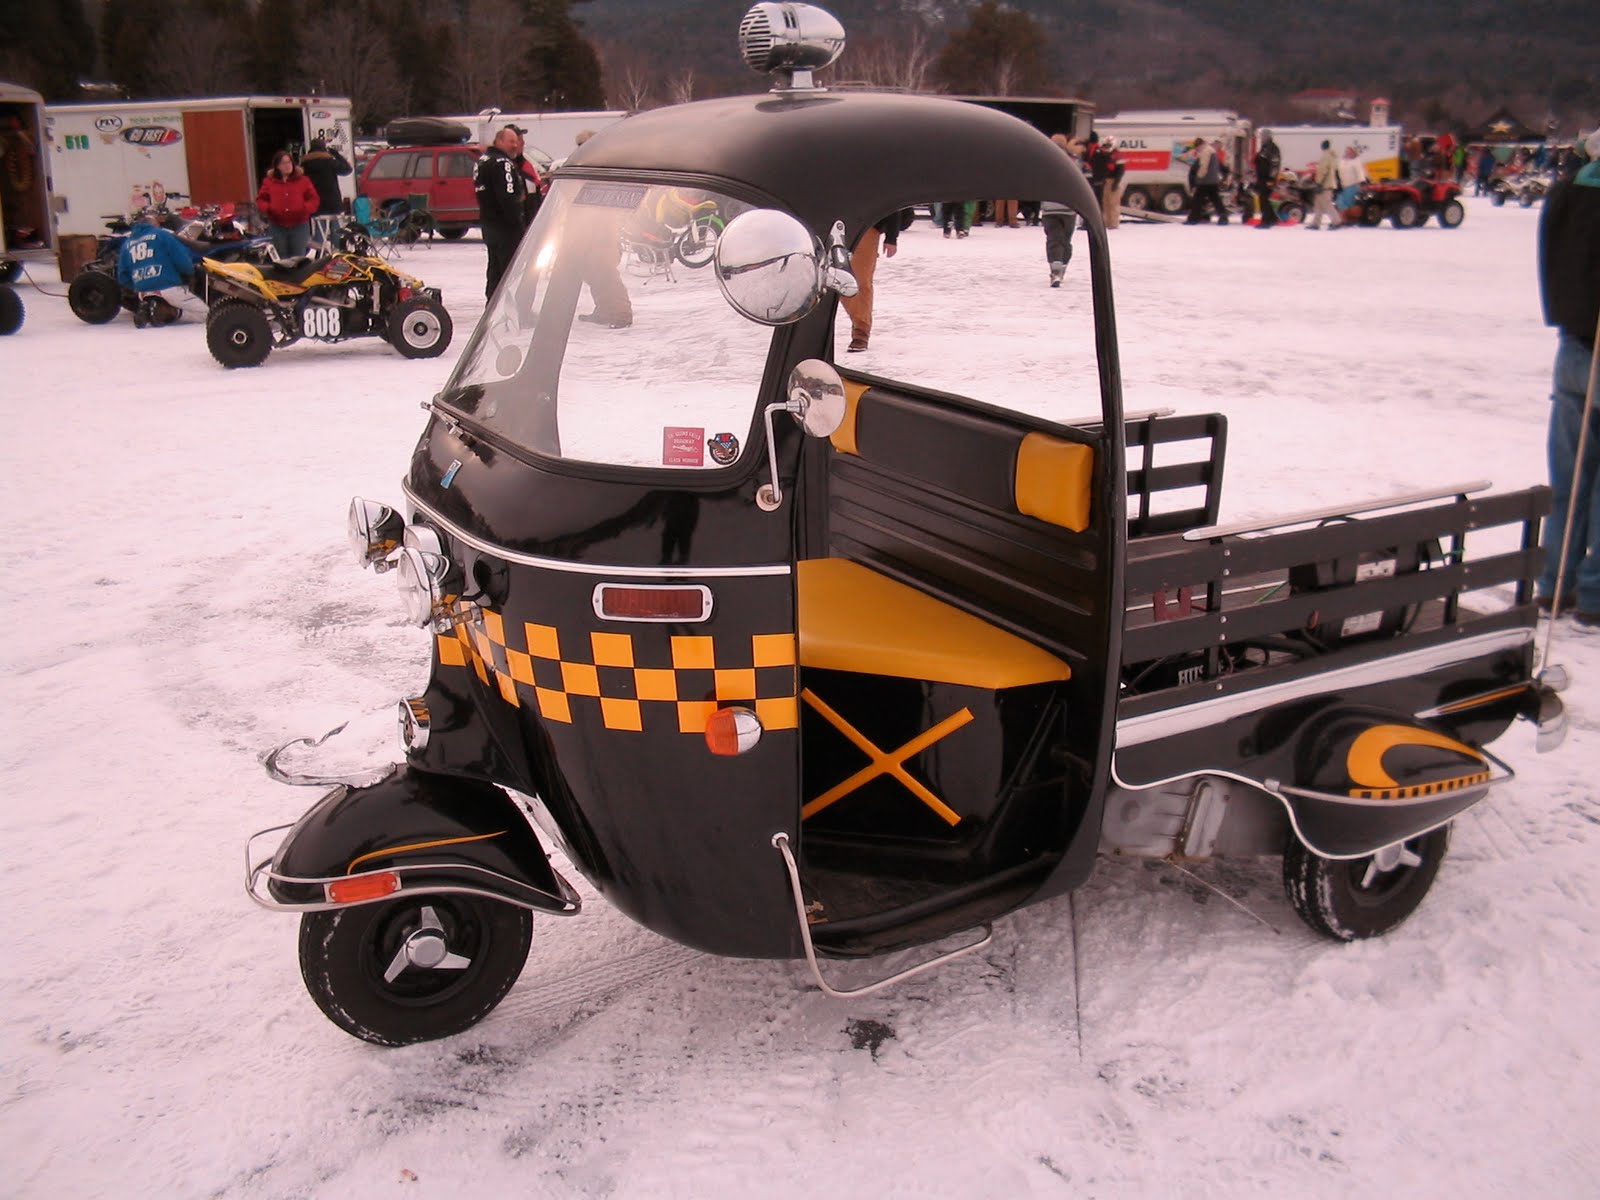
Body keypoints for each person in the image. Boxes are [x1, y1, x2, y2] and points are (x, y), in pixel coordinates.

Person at [1535, 129, 1600, 624]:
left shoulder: (1564, 193)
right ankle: (1594, 594)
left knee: (1568, 481)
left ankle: (1555, 583)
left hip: (1572, 344)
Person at [474, 124, 532, 299]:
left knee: (495, 272)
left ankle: (492, 306)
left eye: (516, 142)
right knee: (511, 274)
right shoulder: (503, 163)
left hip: (489, 226)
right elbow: (508, 197)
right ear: (499, 141)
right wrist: (519, 224)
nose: (515, 145)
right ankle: (508, 308)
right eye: (511, 141)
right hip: (506, 229)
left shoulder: (483, 160)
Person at [115, 210, 198, 327]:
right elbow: (182, 259)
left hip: (143, 292)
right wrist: (189, 274)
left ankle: (149, 308)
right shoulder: (162, 235)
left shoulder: (127, 244)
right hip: (168, 286)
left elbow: (122, 277)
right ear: (155, 225)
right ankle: (167, 313)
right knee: (205, 313)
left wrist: (137, 285)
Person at [840, 211, 905, 352]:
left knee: (860, 281)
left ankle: (860, 332)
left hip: (866, 225)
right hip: (833, 224)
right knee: (832, 279)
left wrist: (891, 237)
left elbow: (890, 204)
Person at [256, 150, 320, 258]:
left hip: (299, 226)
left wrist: (305, 209)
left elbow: (314, 199)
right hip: (277, 226)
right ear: (277, 166)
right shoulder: (269, 182)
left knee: (298, 258)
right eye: (284, 163)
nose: (287, 165)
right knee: (281, 259)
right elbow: (261, 200)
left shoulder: (303, 180)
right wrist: (269, 209)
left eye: (289, 162)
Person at [300, 137, 352, 249]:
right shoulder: (330, 162)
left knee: (320, 232)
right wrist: (335, 154)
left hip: (315, 203)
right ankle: (337, 252)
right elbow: (347, 169)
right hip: (333, 202)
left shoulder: (305, 164)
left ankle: (320, 252)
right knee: (336, 230)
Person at [1041, 134, 1079, 286]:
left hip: (1049, 209)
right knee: (1066, 241)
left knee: (1054, 240)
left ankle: (1055, 271)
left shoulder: (1043, 162)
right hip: (1069, 208)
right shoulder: (1074, 162)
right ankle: (1062, 268)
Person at [1185, 137, 1228, 225]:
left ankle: (1192, 219)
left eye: (1197, 148)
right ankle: (1223, 217)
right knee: (1216, 200)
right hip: (1213, 180)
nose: (1197, 150)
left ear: (1199, 145)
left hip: (1205, 181)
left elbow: (1204, 166)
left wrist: (1199, 177)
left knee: (1197, 200)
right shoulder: (1211, 150)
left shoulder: (1205, 151)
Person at [1306, 140, 1341, 229]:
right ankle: (1315, 223)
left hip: (1324, 185)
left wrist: (1318, 182)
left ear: (1323, 146)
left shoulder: (1325, 156)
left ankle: (1336, 221)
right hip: (1330, 183)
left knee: (1327, 204)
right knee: (1318, 204)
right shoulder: (1332, 157)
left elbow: (1323, 170)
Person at [1253, 129, 1282, 228]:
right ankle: (1272, 218)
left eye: (1263, 136)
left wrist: (1271, 178)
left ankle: (1266, 221)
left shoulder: (1272, 148)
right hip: (1261, 177)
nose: (1261, 138)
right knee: (1263, 199)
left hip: (1267, 179)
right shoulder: (1264, 148)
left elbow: (1275, 165)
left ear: (1268, 136)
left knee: (1264, 199)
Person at [1335, 145, 1367, 217]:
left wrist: (1362, 183)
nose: (1348, 153)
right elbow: (1337, 170)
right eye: (1346, 151)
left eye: (1350, 151)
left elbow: (1360, 172)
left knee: (1349, 203)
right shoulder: (1342, 161)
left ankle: (1348, 217)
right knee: (1339, 201)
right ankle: (1345, 216)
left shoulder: (1356, 161)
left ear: (1354, 152)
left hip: (1352, 185)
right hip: (1342, 185)